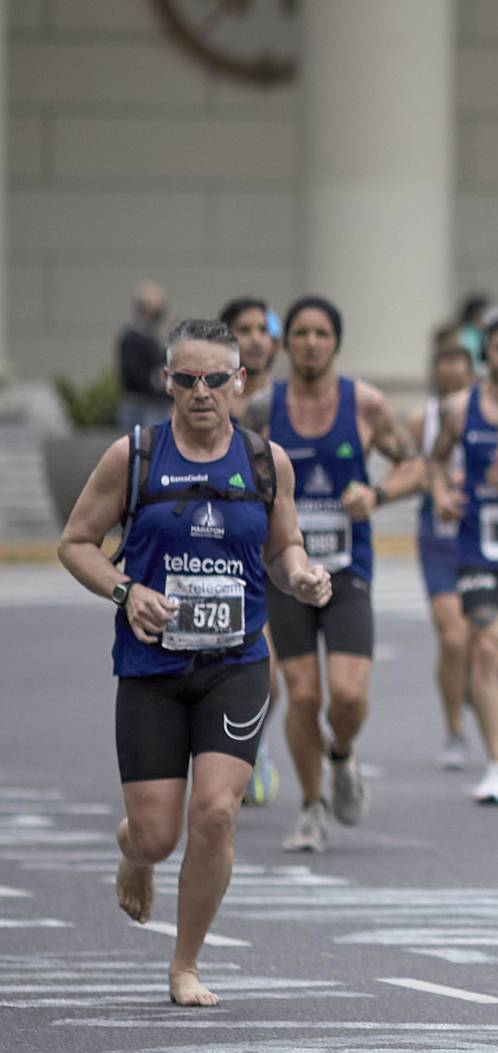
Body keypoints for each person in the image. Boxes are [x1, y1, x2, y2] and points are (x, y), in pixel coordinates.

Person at [57, 317, 331, 1005]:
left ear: (239, 381)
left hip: (236, 663)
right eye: (187, 379)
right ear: (167, 381)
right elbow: (76, 543)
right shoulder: (136, 456)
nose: (201, 391)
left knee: (215, 815)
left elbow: (284, 544)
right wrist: (126, 591)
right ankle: (133, 852)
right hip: (150, 667)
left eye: (215, 378)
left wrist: (300, 575)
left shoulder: (268, 461)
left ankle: (185, 964)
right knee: (156, 834)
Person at [267, 296, 425, 853]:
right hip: (285, 572)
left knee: (349, 696)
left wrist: (377, 493)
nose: (311, 343)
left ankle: (341, 753)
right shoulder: (264, 408)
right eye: (301, 333)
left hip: (347, 568)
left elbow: (415, 466)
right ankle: (311, 808)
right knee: (304, 696)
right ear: (286, 343)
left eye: (322, 334)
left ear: (336, 342)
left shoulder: (365, 405)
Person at [433, 315, 498, 806]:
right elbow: (435, 460)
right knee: (481, 645)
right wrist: (440, 492)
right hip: (478, 546)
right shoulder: (459, 407)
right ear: (487, 355)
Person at [221, 296, 284, 807]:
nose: (257, 337)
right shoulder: (209, 403)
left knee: (276, 677)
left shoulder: (292, 400)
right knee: (250, 665)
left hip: (279, 551)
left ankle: (252, 743)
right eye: (245, 328)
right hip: (226, 553)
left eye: (264, 328)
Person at [409, 343, 480, 770]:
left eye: (460, 380)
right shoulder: (422, 420)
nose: (452, 387)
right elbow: (410, 467)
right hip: (437, 532)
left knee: (482, 638)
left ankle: (492, 673)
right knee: (452, 638)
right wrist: (436, 484)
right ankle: (455, 729)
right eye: (445, 379)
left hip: (479, 530)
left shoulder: (488, 411)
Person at [115, 282, 170, 433]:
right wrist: (156, 379)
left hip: (154, 407)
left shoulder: (152, 336)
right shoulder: (132, 337)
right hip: (140, 408)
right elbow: (132, 373)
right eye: (156, 306)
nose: (160, 310)